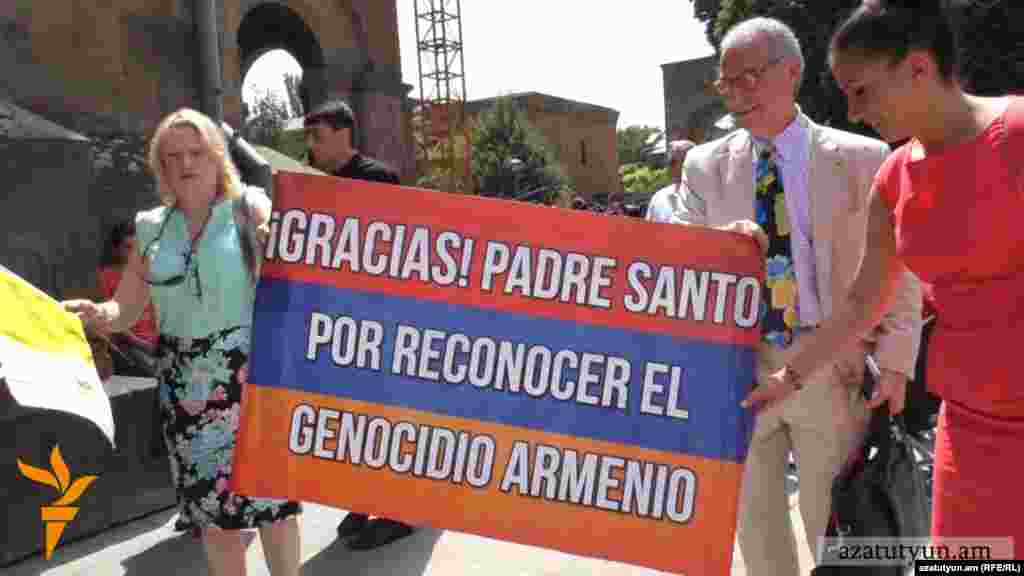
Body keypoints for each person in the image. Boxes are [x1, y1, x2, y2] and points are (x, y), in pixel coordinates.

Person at [744, 0, 1023, 556]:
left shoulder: (1016, 135)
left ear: (919, 67)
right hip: (968, 431)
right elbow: (862, 304)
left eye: (861, 91)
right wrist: (789, 378)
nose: (852, 112)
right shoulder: (893, 178)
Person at [661, 17, 922, 573]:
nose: (737, 94)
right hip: (739, 371)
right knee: (756, 531)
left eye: (749, 78)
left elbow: (901, 268)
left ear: (793, 72)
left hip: (832, 363)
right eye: (727, 83)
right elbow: (678, 255)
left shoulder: (863, 158)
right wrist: (718, 242)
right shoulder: (704, 167)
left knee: (836, 530)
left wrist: (897, 362)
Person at [63, 108, 302, 576]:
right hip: (186, 388)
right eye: (173, 156)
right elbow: (126, 307)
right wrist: (98, 314)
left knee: (274, 509)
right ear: (161, 167)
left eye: (196, 153)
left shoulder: (249, 207)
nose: (186, 164)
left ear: (217, 157)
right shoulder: (150, 227)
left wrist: (280, 250)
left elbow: (295, 273)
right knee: (214, 519)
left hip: (253, 376)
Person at [303, 99, 416, 551]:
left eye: (318, 136)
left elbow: (391, 249)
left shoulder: (376, 178)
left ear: (343, 133)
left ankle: (400, 511)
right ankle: (364, 499)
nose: (311, 145)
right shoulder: (316, 183)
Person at [96, 219, 159, 376]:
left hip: (158, 344)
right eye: (127, 247)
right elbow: (109, 321)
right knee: (155, 373)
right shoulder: (105, 277)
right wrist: (143, 345)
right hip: (129, 346)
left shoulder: (149, 273)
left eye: (136, 247)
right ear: (116, 249)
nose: (133, 253)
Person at [644, 139, 695, 223]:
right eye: (671, 162)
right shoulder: (659, 198)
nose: (672, 166)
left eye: (683, 160)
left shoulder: (708, 199)